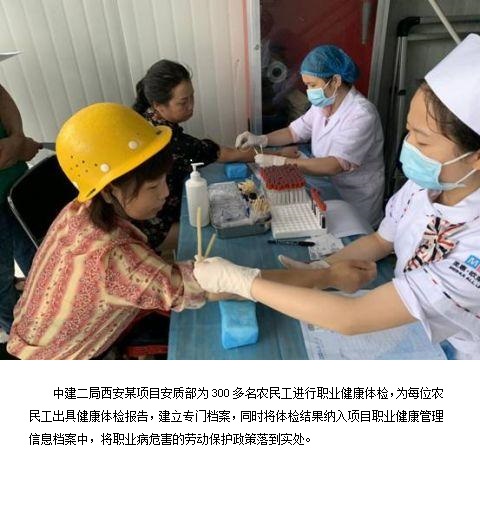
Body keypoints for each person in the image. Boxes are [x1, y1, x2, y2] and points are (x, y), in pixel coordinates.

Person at [6, 102, 376, 360]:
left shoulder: (80, 209)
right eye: (154, 188)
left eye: (164, 181)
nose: (166, 194)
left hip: (34, 335)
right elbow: (229, 283)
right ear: (110, 189)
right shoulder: (114, 260)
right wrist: (326, 275)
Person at [195, 34, 480, 360]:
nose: (408, 146)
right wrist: (319, 267)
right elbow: (380, 241)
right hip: (410, 317)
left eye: (423, 141)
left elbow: (352, 317)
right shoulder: (424, 187)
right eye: (409, 131)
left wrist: (242, 282)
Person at [132, 59, 297, 252]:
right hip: (153, 227)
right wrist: (278, 153)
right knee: (222, 239)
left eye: (192, 97)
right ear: (159, 105)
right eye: (183, 102)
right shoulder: (172, 141)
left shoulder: (144, 117)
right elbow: (228, 154)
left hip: (146, 216)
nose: (191, 106)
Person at [236, 44, 385, 228]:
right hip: (327, 187)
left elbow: (335, 164)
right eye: (307, 85)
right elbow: (293, 132)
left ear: (336, 81)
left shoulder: (361, 114)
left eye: (312, 85)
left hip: (355, 198)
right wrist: (261, 139)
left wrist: (280, 162)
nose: (309, 91)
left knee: (347, 234)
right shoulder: (323, 105)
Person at [0, 63, 41, 347]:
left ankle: (51, 317)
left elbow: (1, 96)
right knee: (1, 281)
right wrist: (17, 148)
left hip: (16, 185)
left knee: (40, 255)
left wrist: (16, 136)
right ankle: (24, 343)